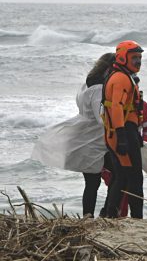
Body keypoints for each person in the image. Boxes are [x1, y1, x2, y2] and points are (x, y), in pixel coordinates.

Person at [31, 53, 115, 218]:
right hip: (94, 140)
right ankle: (105, 213)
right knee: (116, 176)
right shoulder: (99, 88)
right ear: (109, 68)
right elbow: (100, 119)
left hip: (84, 137)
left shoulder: (86, 84)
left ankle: (89, 216)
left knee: (92, 182)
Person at [102, 40, 145, 219]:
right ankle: (136, 218)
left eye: (140, 58)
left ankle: (110, 214)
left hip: (125, 131)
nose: (138, 61)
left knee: (123, 177)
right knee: (133, 178)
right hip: (122, 132)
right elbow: (117, 107)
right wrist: (122, 137)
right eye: (134, 57)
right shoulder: (120, 78)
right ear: (122, 57)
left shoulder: (123, 76)